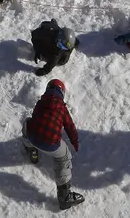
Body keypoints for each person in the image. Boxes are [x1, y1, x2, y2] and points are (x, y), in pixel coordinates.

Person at [23, 79, 85, 209]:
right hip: (50, 143)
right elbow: (70, 127)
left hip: (33, 137)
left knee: (27, 123)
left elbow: (35, 118)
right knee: (64, 157)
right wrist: (74, 142)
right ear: (62, 92)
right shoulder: (62, 108)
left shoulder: (40, 103)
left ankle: (31, 151)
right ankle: (64, 196)